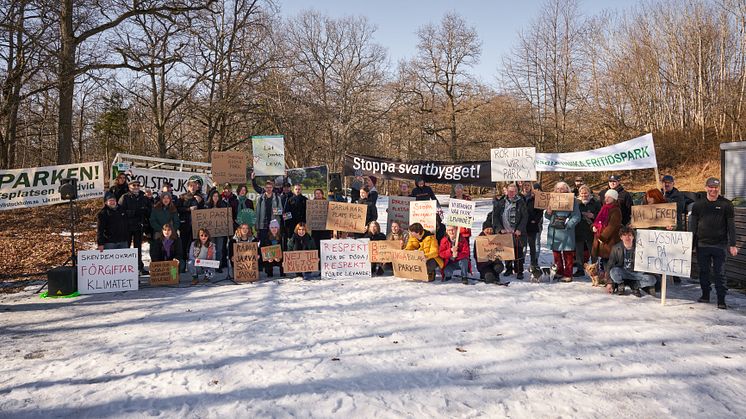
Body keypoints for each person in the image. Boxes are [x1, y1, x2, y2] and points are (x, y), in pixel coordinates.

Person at [688, 177, 738, 309]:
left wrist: (733, 244)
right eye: (710, 187)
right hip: (702, 244)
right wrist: (691, 245)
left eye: (715, 187)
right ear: (706, 188)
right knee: (703, 271)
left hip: (719, 245)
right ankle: (705, 295)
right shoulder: (698, 205)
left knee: (719, 273)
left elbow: (731, 226)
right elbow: (693, 226)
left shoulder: (726, 204)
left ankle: (721, 299)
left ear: (718, 188)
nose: (713, 190)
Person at [545, 181, 582, 282]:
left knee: (568, 253)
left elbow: (576, 216)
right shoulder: (552, 199)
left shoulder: (572, 200)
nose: (560, 190)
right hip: (554, 230)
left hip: (566, 231)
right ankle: (559, 271)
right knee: (556, 254)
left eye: (562, 188)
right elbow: (548, 216)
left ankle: (568, 274)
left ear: (567, 189)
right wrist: (548, 212)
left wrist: (568, 225)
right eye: (558, 188)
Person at [605, 226, 657, 297]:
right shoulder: (616, 248)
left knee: (652, 279)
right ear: (621, 237)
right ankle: (620, 284)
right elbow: (610, 265)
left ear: (633, 237)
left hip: (637, 273)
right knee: (613, 271)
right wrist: (609, 283)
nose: (627, 238)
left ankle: (635, 285)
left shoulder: (641, 247)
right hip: (623, 272)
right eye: (624, 235)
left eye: (629, 235)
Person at [491, 183, 528, 279]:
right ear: (507, 191)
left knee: (518, 252)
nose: (511, 193)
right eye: (510, 191)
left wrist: (519, 229)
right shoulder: (501, 202)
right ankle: (508, 269)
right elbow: (495, 216)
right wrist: (500, 229)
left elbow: (525, 217)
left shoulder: (521, 202)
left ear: (516, 192)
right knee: (507, 252)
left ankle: (519, 271)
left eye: (513, 191)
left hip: (517, 232)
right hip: (505, 231)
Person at [118, 179, 152, 274]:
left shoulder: (143, 197)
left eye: (138, 185)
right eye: (134, 185)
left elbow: (149, 209)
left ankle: (139, 267)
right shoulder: (124, 197)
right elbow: (121, 212)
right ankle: (126, 268)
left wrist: (148, 203)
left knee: (138, 248)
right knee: (127, 247)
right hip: (127, 226)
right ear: (129, 187)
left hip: (139, 226)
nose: (136, 187)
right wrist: (135, 212)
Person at [592, 188, 623, 272]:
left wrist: (602, 237)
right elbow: (598, 220)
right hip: (601, 239)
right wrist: (594, 226)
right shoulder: (604, 208)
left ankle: (610, 279)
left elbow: (612, 226)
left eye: (609, 197)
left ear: (614, 199)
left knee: (610, 260)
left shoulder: (616, 210)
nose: (606, 199)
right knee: (604, 259)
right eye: (606, 197)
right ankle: (606, 277)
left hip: (609, 240)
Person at [575, 185, 601, 277]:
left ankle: (595, 268)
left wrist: (593, 215)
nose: (584, 195)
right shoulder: (576, 203)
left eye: (585, 193)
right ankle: (580, 269)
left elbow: (601, 214)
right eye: (582, 193)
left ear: (589, 193)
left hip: (591, 230)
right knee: (579, 251)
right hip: (578, 229)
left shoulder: (595, 202)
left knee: (593, 250)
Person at [177, 180, 205, 265]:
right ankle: (183, 263)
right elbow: (178, 209)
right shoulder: (182, 197)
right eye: (191, 186)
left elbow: (204, 212)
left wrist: (200, 203)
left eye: (194, 186)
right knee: (183, 244)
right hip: (185, 224)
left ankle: (195, 263)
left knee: (196, 245)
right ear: (188, 187)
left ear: (197, 187)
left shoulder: (201, 197)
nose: (193, 187)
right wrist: (188, 209)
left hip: (196, 225)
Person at [521, 182, 544, 272]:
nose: (526, 187)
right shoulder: (519, 197)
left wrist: (536, 220)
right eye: (525, 186)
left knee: (533, 245)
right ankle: (521, 263)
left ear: (531, 187)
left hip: (532, 225)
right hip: (522, 226)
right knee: (522, 246)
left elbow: (540, 211)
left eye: (528, 186)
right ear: (522, 187)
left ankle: (534, 263)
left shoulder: (535, 198)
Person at [255, 179, 284, 245]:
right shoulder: (260, 198)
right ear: (264, 188)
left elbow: (281, 211)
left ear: (272, 188)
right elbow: (257, 213)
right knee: (263, 244)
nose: (268, 189)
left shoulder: (277, 198)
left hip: (273, 225)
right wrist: (257, 226)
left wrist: (276, 211)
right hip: (263, 225)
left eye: (270, 187)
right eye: (267, 187)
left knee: (273, 244)